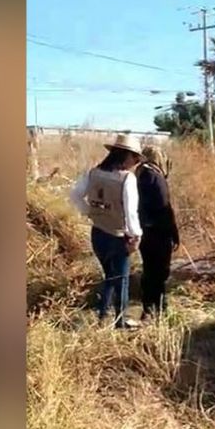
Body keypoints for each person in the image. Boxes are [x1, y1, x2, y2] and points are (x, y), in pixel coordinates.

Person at [69, 134, 143, 329]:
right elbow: (130, 212)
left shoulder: (93, 173)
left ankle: (102, 315)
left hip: (98, 233)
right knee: (122, 280)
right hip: (119, 237)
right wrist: (135, 237)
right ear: (126, 156)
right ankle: (120, 320)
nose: (136, 162)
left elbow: (75, 195)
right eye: (135, 158)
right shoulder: (127, 179)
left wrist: (89, 212)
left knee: (109, 276)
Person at [135, 144, 180, 320]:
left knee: (149, 269)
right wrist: (174, 232)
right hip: (158, 231)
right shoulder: (155, 176)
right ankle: (158, 307)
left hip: (143, 229)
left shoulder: (137, 175)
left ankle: (149, 307)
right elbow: (165, 208)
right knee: (160, 271)